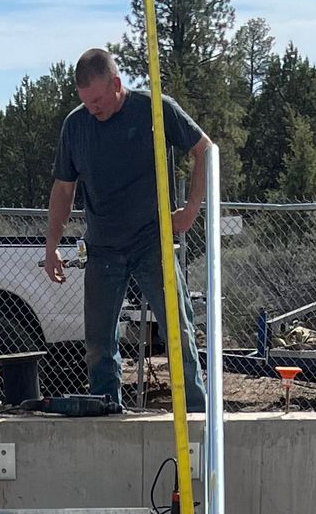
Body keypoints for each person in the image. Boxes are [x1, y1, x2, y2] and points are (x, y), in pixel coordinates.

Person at [44, 47, 210, 411]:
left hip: (153, 242)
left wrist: (192, 209)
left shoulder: (154, 109)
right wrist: (52, 244)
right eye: (86, 103)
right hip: (102, 247)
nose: (93, 109)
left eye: (99, 100)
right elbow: (63, 188)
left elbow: (205, 150)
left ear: (117, 84)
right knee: (99, 343)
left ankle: (196, 413)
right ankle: (106, 409)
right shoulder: (76, 125)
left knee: (177, 333)